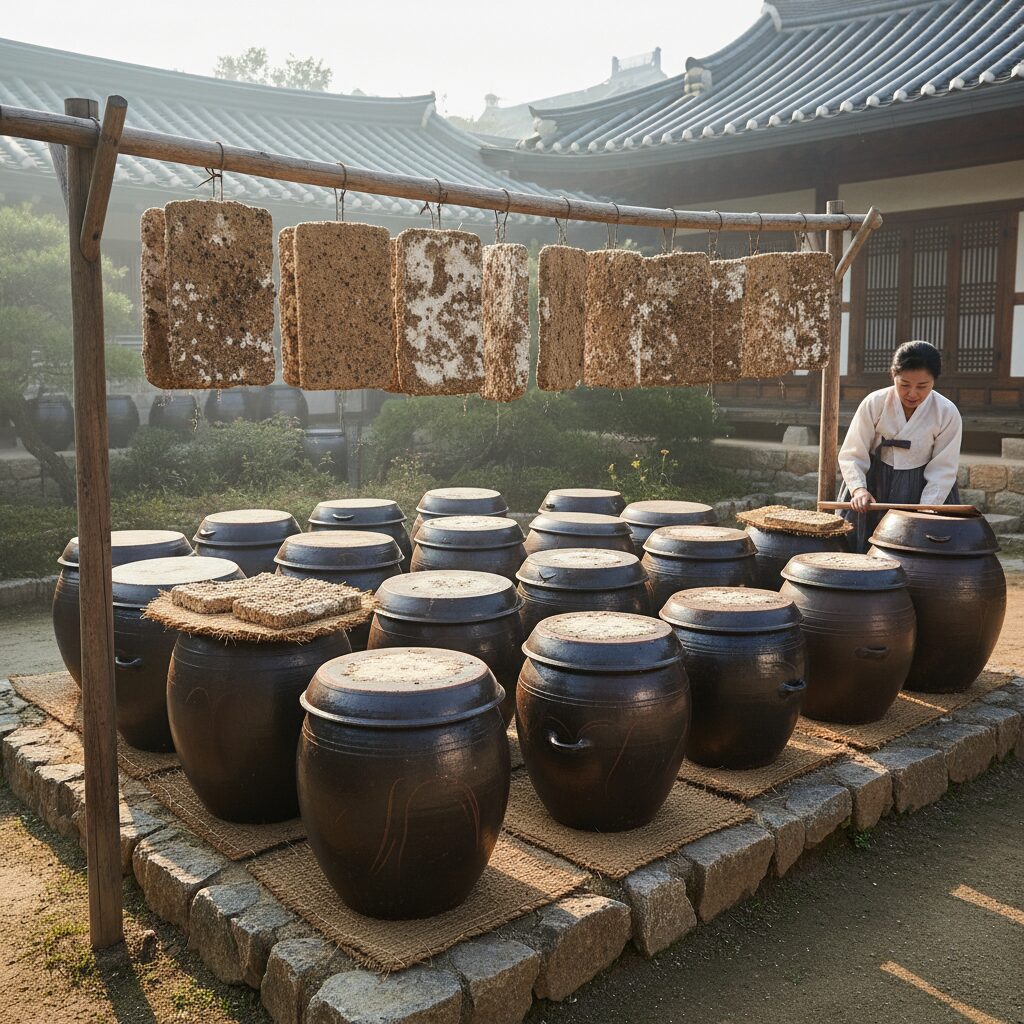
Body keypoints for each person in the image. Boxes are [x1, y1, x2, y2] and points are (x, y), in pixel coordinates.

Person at [837, 340, 962, 552]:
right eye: (904, 385)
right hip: (874, 483)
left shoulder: (946, 412)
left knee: (918, 549)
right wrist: (859, 489)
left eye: (922, 386)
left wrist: (926, 509)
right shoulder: (874, 402)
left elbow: (943, 468)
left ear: (934, 381)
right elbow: (852, 452)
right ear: (893, 375)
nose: (912, 394)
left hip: (922, 485)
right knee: (855, 548)